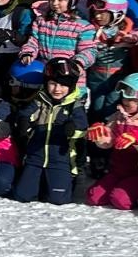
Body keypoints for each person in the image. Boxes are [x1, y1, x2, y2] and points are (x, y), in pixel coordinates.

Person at [10, 57, 88, 205]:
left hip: (60, 158)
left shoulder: (74, 105)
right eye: (53, 84)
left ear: (71, 86)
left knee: (58, 200)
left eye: (63, 85)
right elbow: (26, 113)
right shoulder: (40, 99)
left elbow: (82, 127)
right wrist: (23, 122)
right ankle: (38, 183)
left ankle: (55, 184)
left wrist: (72, 128)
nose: (57, 89)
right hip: (35, 156)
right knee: (22, 196)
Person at [85, 73, 138, 210]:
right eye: (124, 98)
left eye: (132, 100)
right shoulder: (119, 116)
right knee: (93, 197)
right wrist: (100, 134)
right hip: (117, 170)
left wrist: (136, 139)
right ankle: (120, 185)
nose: (126, 102)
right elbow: (109, 140)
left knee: (120, 200)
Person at [19, 0, 95, 75]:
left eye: (60, 0)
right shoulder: (41, 21)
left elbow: (88, 50)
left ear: (72, 1)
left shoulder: (83, 27)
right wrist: (27, 53)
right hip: (47, 75)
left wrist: (78, 63)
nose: (55, 3)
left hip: (70, 76)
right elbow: (33, 41)